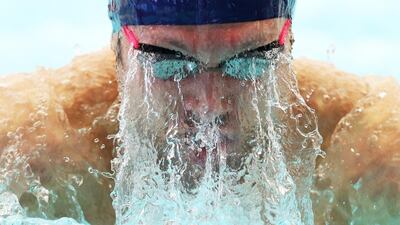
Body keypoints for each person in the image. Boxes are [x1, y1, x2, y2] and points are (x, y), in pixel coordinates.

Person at [0, 0, 399, 224]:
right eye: (168, 63)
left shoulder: (369, 156)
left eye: (250, 62)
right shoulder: (32, 150)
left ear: (288, 47)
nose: (209, 106)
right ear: (118, 52)